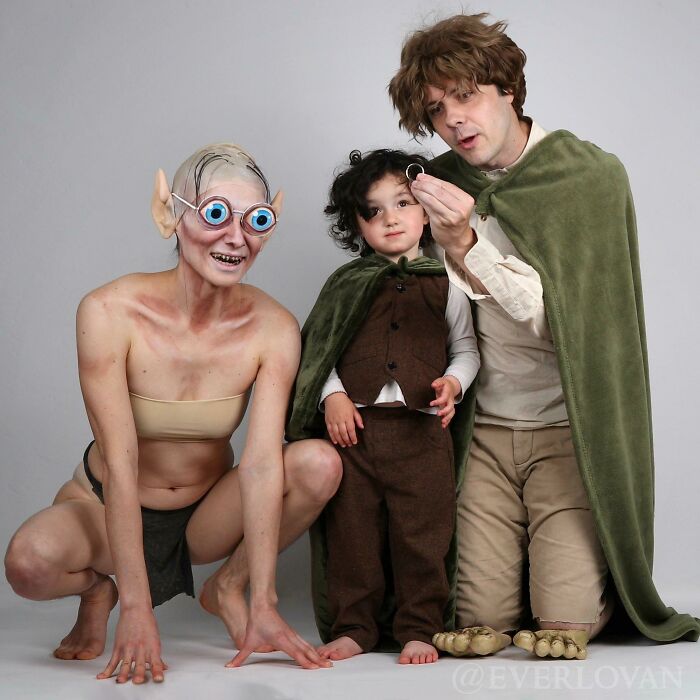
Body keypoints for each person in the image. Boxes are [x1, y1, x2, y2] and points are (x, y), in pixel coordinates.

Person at [387, 13, 700, 659]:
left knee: (565, 620)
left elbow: (572, 322)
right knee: (481, 617)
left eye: (466, 95)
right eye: (437, 109)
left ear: (508, 88)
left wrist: (465, 243)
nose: (454, 119)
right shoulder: (439, 184)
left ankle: (590, 591)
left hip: (567, 431)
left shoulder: (586, 175)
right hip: (483, 430)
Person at [4, 143, 342, 683]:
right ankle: (98, 591)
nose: (237, 238)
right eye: (215, 214)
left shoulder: (273, 327)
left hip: (203, 518)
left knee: (318, 464)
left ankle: (227, 586)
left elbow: (260, 465)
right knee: (28, 564)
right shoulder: (109, 312)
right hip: (107, 504)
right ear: (171, 215)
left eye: (256, 220)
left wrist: (263, 600)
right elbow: (121, 463)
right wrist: (134, 609)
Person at [286, 149, 480, 664]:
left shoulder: (448, 283)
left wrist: (454, 384)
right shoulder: (345, 285)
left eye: (403, 203)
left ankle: (420, 626)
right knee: (353, 536)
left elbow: (467, 349)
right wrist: (332, 396)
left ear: (426, 212)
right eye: (373, 211)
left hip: (422, 435)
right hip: (355, 435)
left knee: (423, 536)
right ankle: (355, 626)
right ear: (357, 225)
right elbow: (319, 351)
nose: (390, 219)